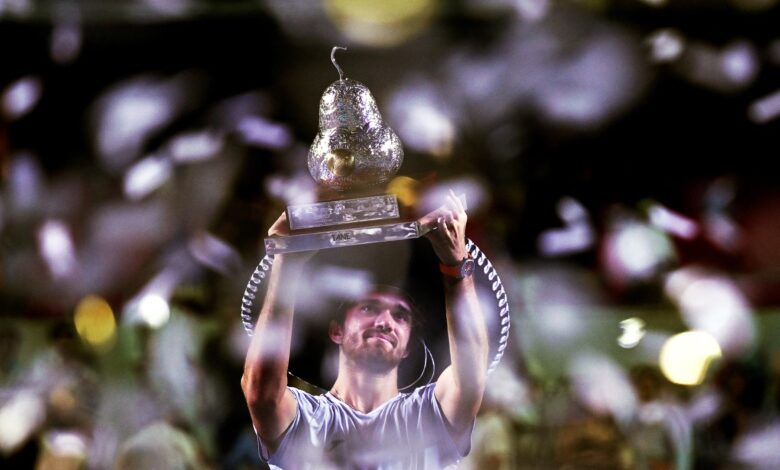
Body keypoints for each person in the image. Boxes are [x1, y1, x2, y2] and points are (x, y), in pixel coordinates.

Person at [242, 190, 489, 469]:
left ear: (408, 346)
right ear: (336, 331)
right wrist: (287, 262)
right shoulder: (307, 418)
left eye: (400, 316)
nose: (384, 321)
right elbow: (261, 392)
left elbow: (471, 376)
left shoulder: (427, 415)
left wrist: (456, 267)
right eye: (369, 308)